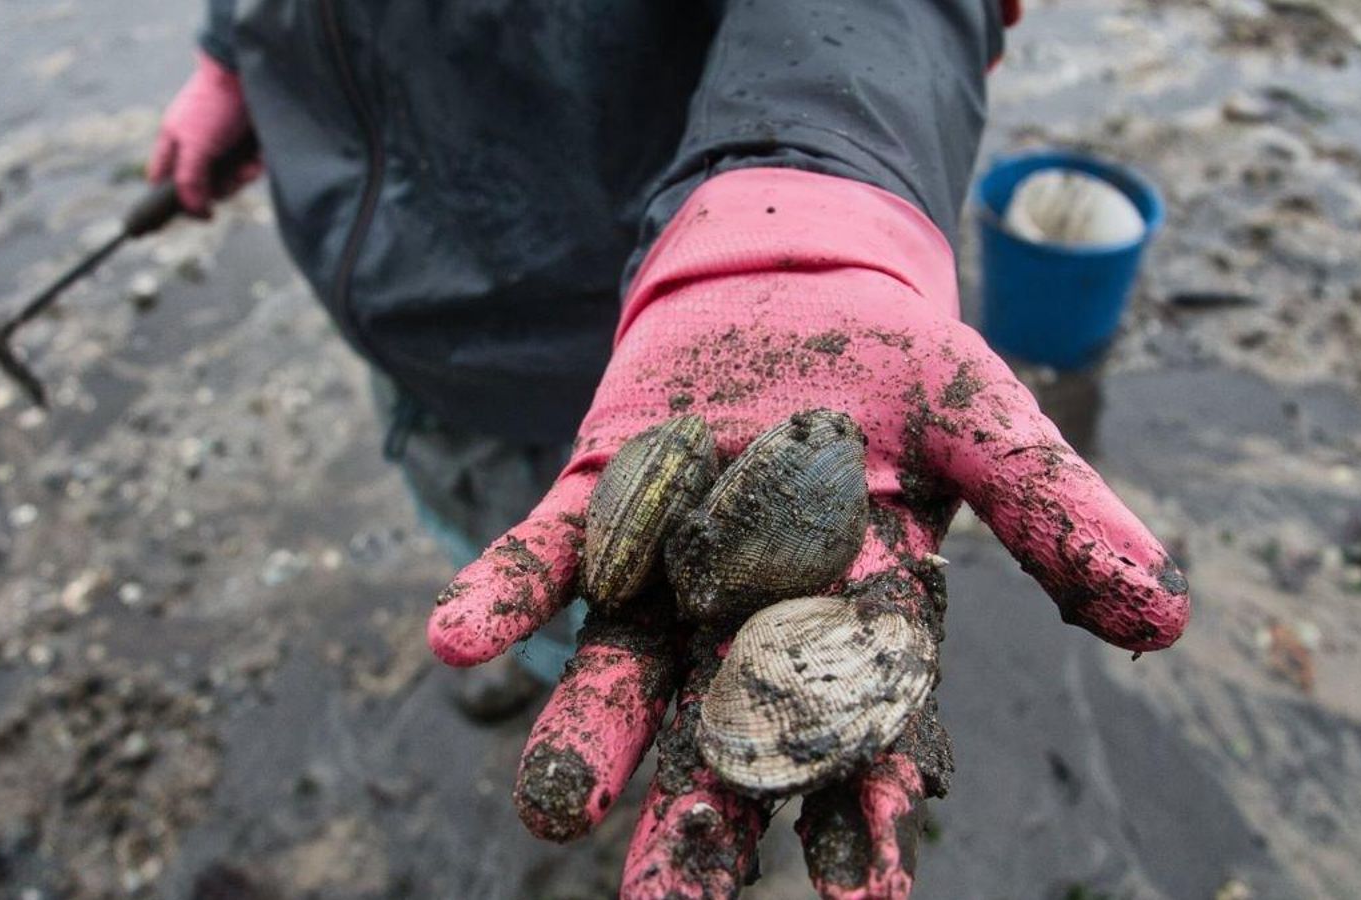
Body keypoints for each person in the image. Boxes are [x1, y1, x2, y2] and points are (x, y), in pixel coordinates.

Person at [149, 2, 1190, 897]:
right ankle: (539, 657)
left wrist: (813, 176)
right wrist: (234, 50)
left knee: (598, 611)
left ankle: (572, 676)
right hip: (415, 336)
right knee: (489, 539)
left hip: (659, 310)